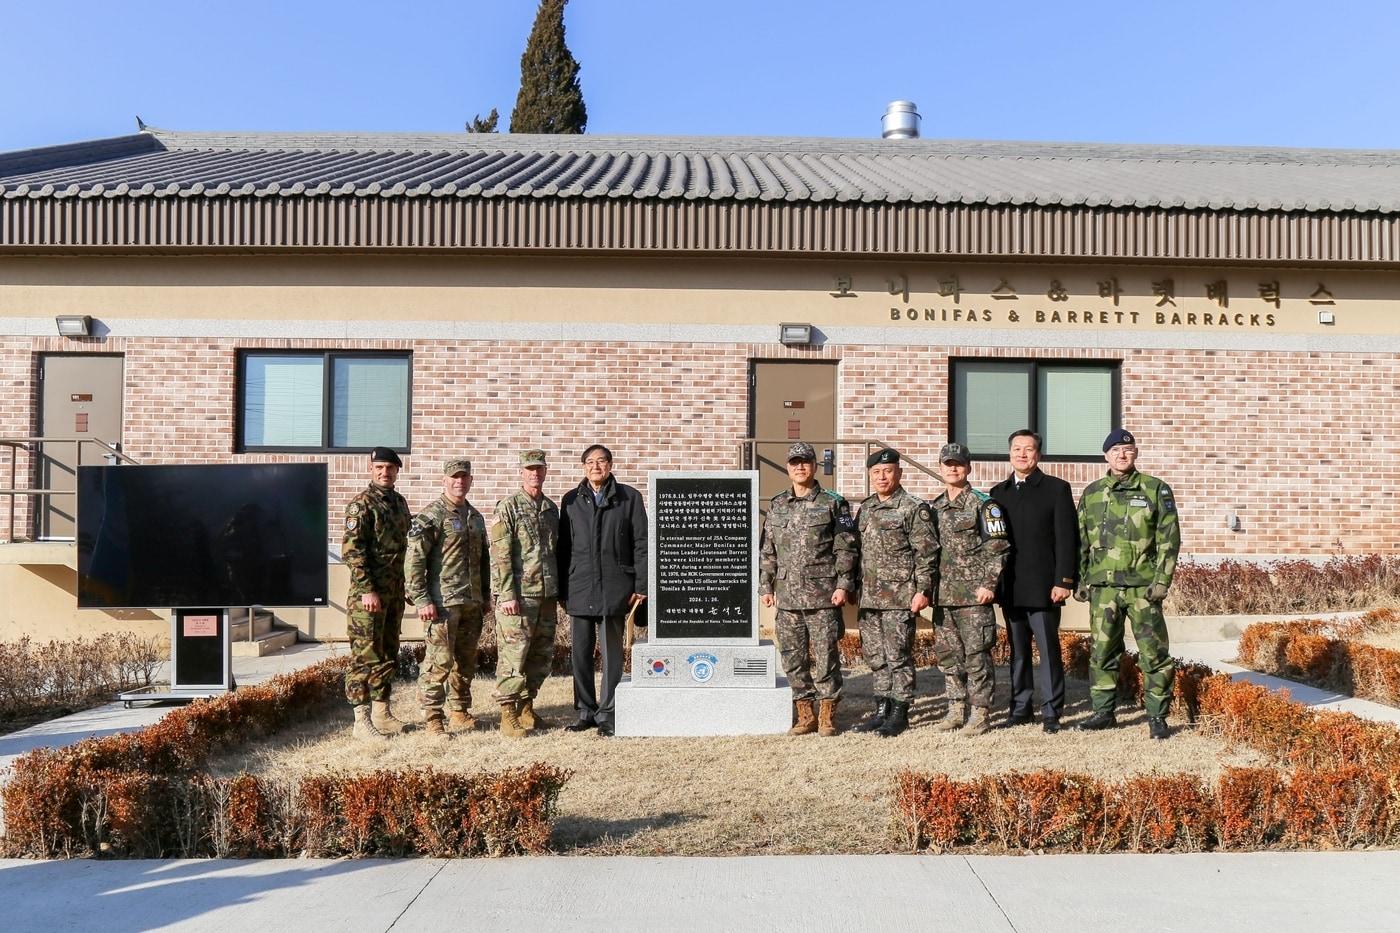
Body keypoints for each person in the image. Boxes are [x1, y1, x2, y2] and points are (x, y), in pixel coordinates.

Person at [1076, 429, 1181, 740]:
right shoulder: (1093, 493)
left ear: (1135, 454)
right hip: (1104, 588)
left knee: (1154, 653)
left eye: (1128, 450)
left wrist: (1162, 581)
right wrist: (1081, 577)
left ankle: (1157, 716)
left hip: (1142, 588)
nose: (1122, 455)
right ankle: (1103, 712)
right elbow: (1081, 540)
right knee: (1102, 651)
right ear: (1106, 456)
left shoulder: (1155, 490)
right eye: (1115, 451)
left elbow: (1168, 540)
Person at [759, 441, 859, 737]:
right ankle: (805, 714)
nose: (800, 467)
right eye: (794, 462)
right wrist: (766, 585)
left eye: (805, 461)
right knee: (792, 657)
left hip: (823, 596)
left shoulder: (834, 503)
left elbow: (846, 548)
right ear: (788, 468)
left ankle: (827, 715)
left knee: (826, 655)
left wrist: (843, 584)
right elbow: (768, 551)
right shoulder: (777, 505)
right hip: (788, 597)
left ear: (815, 466)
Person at [990, 430, 1077, 734]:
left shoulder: (1056, 489)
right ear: (1009, 453)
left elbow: (1068, 540)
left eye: (1029, 449)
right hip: (1012, 586)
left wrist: (1064, 580)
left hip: (1045, 588)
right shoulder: (997, 493)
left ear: (1038, 454)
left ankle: (1051, 711)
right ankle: (1020, 707)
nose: (1022, 454)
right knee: (1018, 651)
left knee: (1049, 652)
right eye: (1017, 449)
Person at [558, 444, 648, 738]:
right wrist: (562, 586)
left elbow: (641, 544)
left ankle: (608, 712)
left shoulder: (629, 498)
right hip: (579, 585)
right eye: (590, 462)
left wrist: (641, 585)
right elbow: (563, 547)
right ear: (583, 467)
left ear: (610, 465)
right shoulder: (570, 500)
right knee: (580, 653)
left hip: (615, 585)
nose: (596, 466)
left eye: (601, 461)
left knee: (611, 653)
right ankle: (586, 710)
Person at [852, 448, 939, 738]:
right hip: (870, 597)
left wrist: (922, 590)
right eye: (876, 472)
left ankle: (900, 711)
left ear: (899, 473)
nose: (882, 477)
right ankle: (882, 708)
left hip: (899, 597)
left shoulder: (913, 508)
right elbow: (858, 553)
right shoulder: (865, 509)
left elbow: (926, 553)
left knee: (898, 655)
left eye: (887, 471)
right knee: (876, 656)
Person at [927, 443, 1010, 737]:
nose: (953, 468)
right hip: (943, 597)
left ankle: (980, 712)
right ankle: (955, 708)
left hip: (974, 598)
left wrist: (989, 585)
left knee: (977, 657)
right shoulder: (933, 508)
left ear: (968, 468)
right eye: (948, 464)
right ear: (940, 468)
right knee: (949, 657)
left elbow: (998, 548)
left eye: (958, 464)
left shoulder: (985, 505)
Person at [406, 458, 491, 740]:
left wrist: (485, 596)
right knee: (438, 662)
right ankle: (433, 718)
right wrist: (421, 598)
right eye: (454, 477)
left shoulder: (475, 517)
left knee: (465, 661)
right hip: (442, 603)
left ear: (470, 481)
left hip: (471, 601)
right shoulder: (431, 516)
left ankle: (460, 711)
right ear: (444, 480)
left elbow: (484, 562)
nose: (460, 482)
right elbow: (415, 559)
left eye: (464, 477)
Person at [342, 446, 413, 741]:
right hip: (368, 597)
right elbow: (352, 552)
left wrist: (407, 584)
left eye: (390, 468)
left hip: (394, 592)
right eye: (379, 468)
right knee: (365, 654)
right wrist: (367, 589)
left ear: (398, 471)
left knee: (387, 651)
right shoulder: (362, 505)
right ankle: (361, 720)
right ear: (371, 470)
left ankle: (382, 712)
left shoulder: (399, 502)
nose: (385, 473)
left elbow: (406, 548)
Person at [490, 448, 561, 739]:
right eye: (530, 469)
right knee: (513, 656)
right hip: (518, 597)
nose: (535, 474)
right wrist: (506, 594)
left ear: (545, 471)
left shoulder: (550, 509)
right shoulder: (507, 507)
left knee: (540, 655)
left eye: (539, 469)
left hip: (546, 595)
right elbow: (501, 554)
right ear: (521, 472)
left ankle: (526, 707)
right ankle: (508, 713)